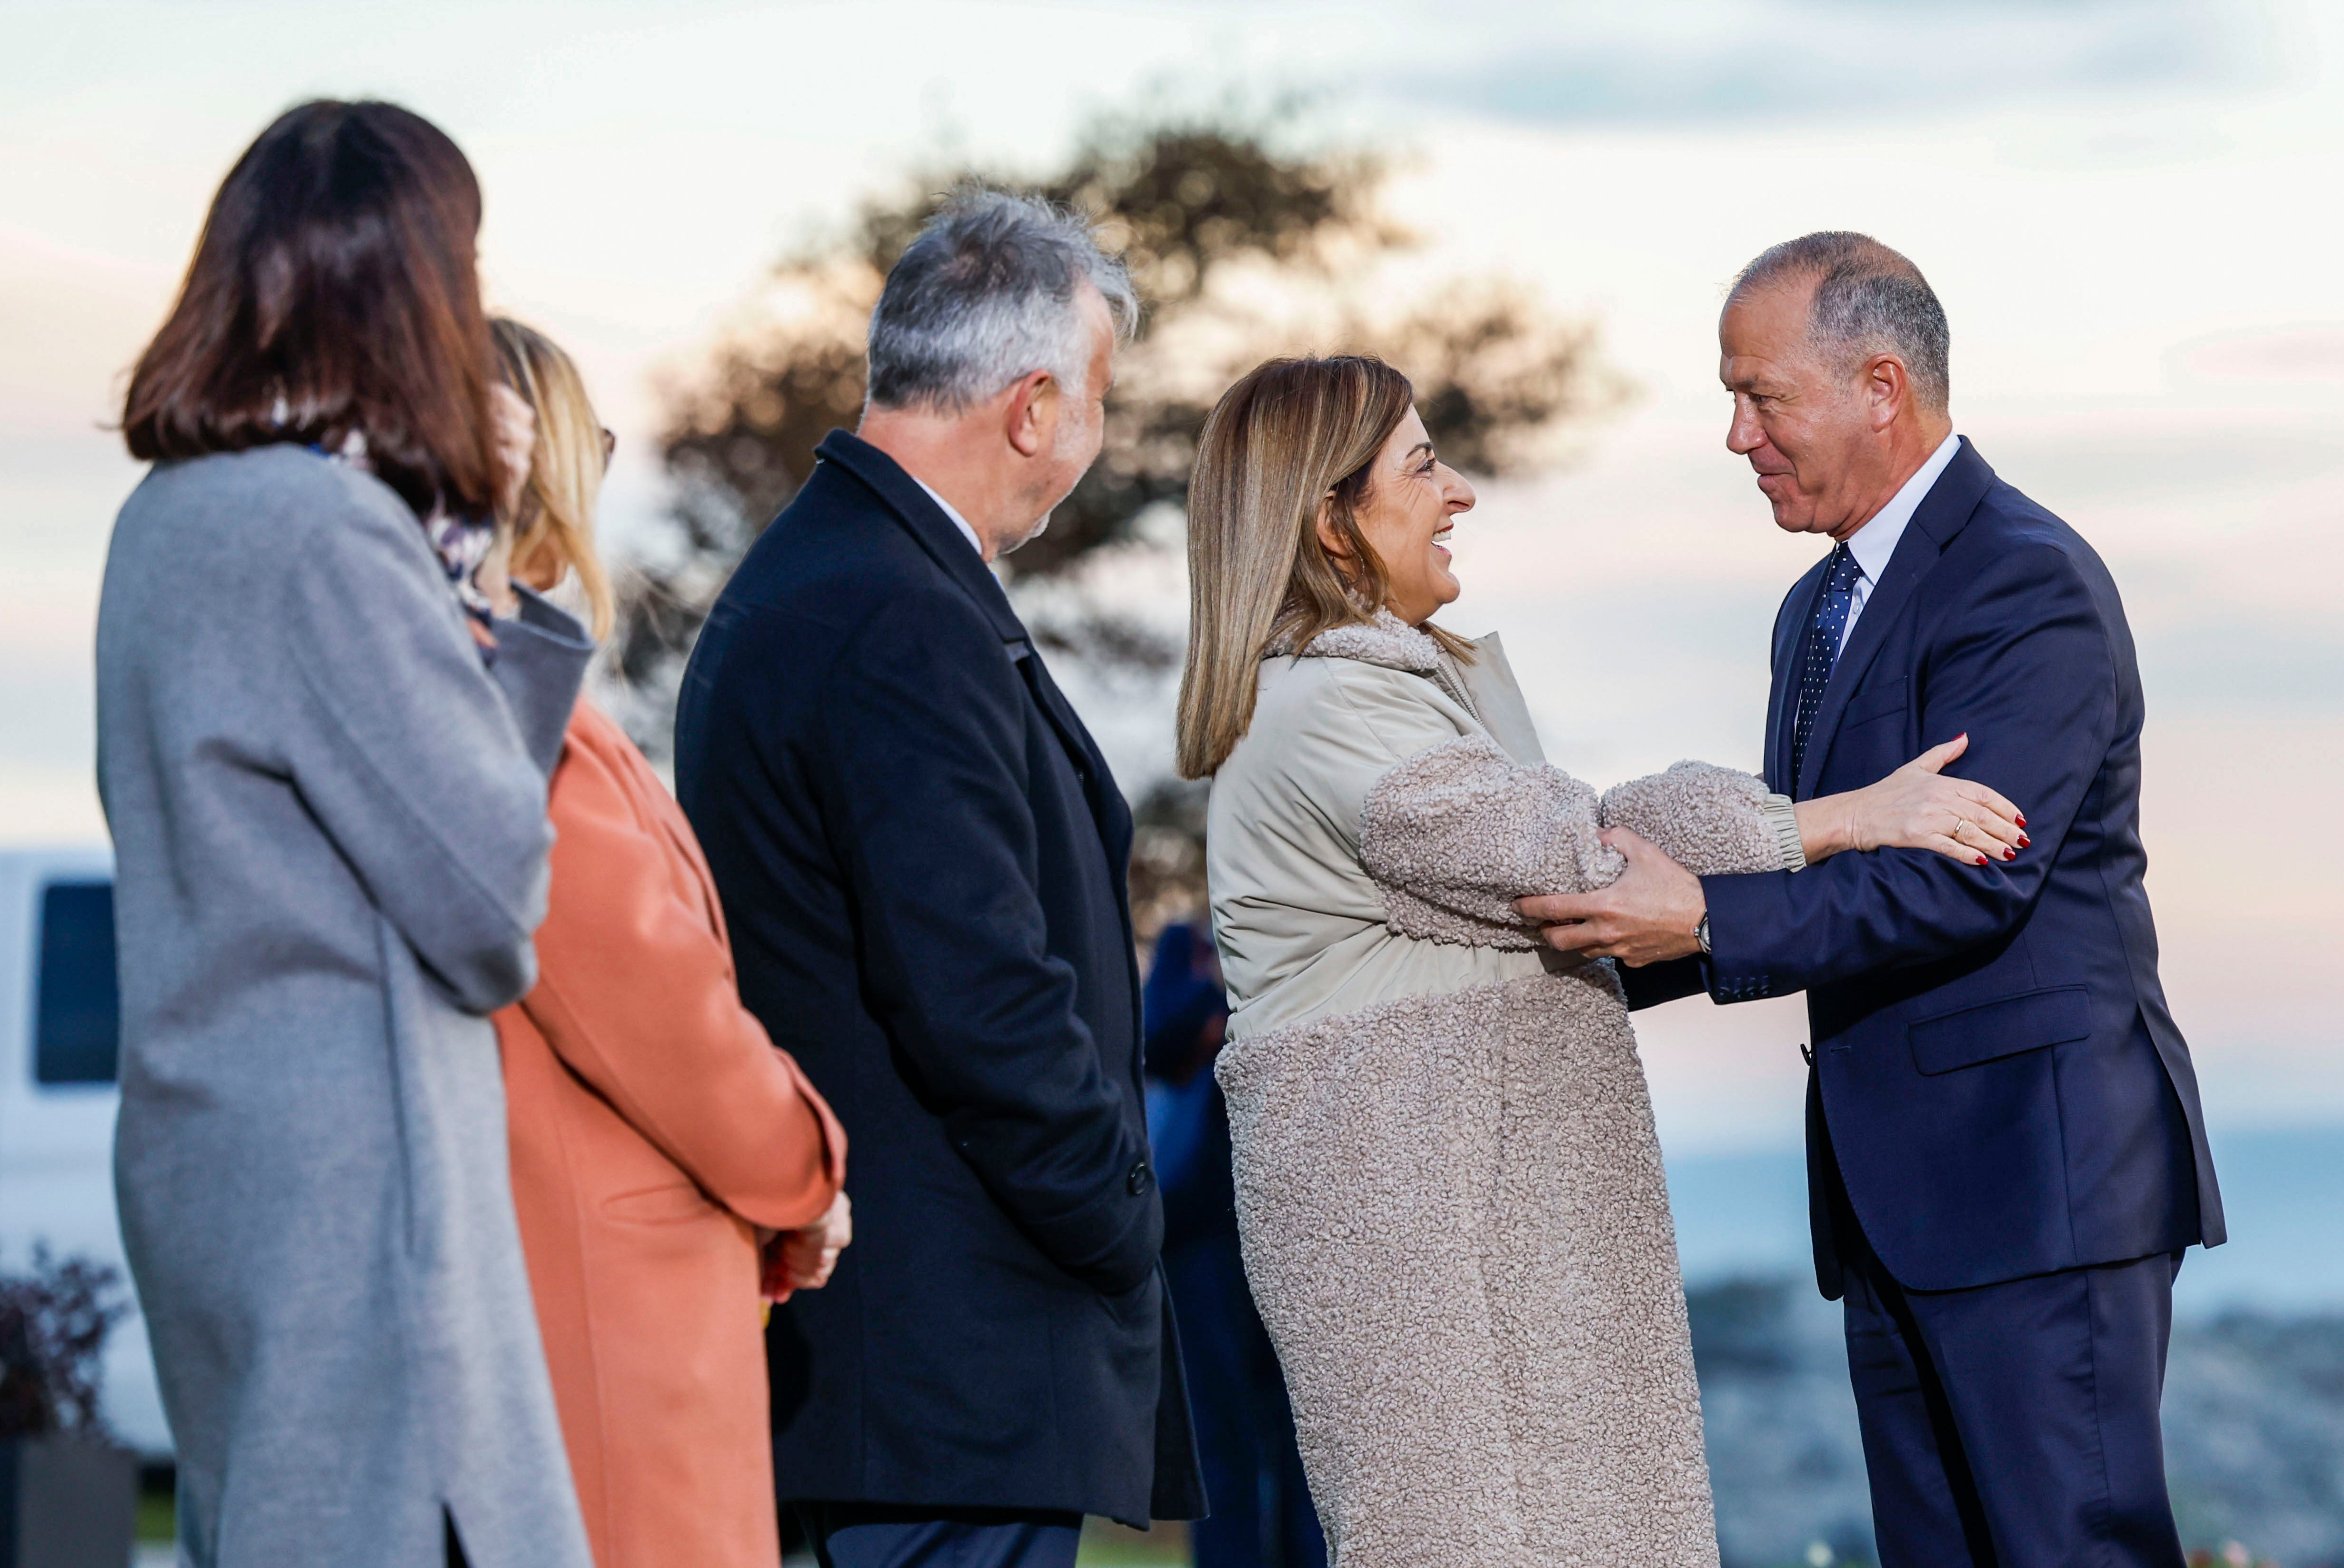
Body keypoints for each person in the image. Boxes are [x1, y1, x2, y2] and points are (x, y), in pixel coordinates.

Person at [1177, 354, 2025, 1568]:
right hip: (1438, 1263)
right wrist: (1837, 818)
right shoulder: (1328, 707)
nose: (1457, 490)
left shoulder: (1377, 693)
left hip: (1477, 1240)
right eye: (1421, 465)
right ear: (1329, 521)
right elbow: (1574, 856)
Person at [1521, 233, 2224, 1568]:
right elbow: (1809, 858)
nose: (1735, 435)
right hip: (1889, 1202)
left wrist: (1707, 924)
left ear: (1880, 386)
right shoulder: (1811, 610)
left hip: (2036, 1189)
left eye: (1761, 396)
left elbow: (1965, 879)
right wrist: (1580, 950)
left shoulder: (2023, 580)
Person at [674, 190, 1206, 1568]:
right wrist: (1121, 1216)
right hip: (943, 1361)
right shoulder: (890, 614)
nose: (1090, 438)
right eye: (1092, 396)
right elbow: (977, 992)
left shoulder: (840, 574)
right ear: (1032, 407)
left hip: (910, 1360)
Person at [98, 101, 593, 1567]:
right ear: (410, 282)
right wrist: (466, 540)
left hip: (221, 1152)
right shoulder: (323, 533)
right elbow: (489, 890)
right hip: (360, 1190)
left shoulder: (167, 515)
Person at [484, 317, 854, 1568]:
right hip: (615, 1301)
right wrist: (808, 1167)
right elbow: (658, 1014)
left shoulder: (507, 700)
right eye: (587, 439)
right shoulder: (520, 718)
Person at [1143, 922, 1327, 1568]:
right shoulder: (1186, 950)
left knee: (1301, 1432)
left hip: (1279, 1238)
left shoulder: (1283, 954)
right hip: (1200, 1244)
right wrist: (1219, 999)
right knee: (1220, 1437)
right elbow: (1159, 1042)